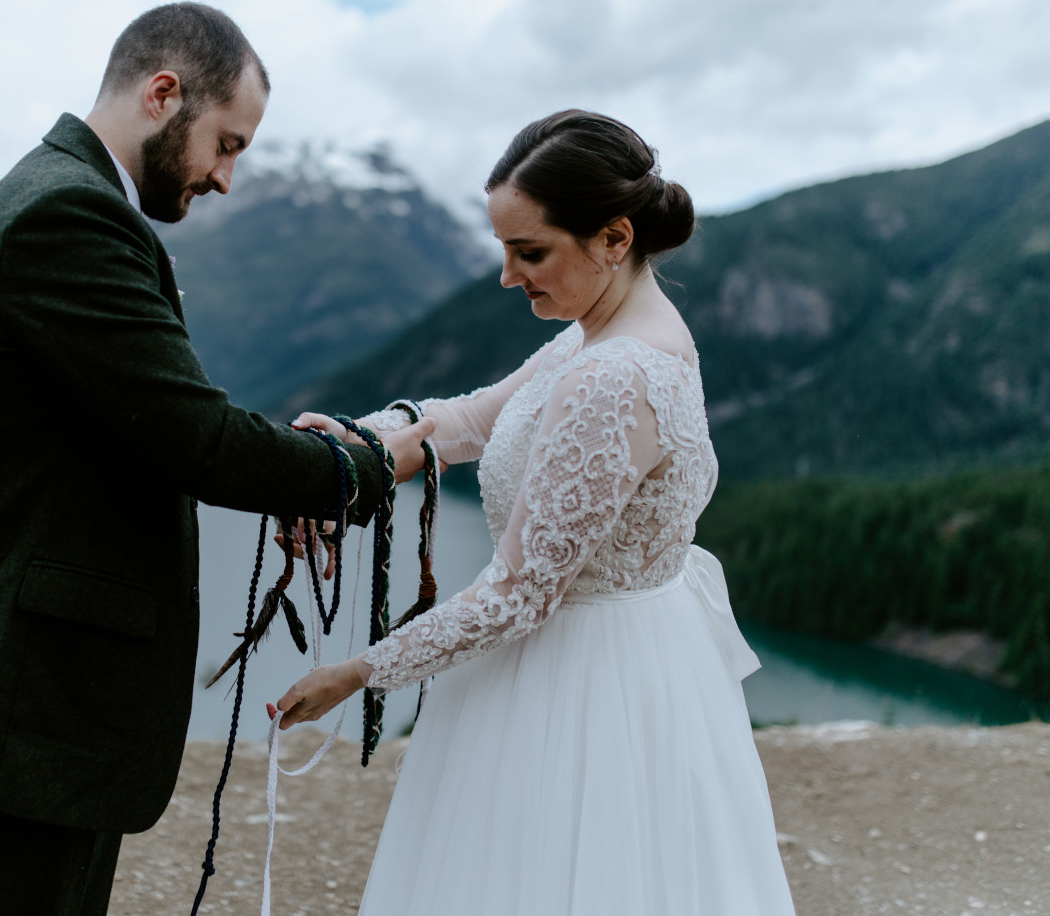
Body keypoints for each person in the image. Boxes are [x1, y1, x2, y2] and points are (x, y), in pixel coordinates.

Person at [0, 2, 434, 916]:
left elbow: (140, 422)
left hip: (29, 697)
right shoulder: (66, 216)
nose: (225, 176)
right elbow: (192, 436)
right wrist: (368, 464)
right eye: (226, 143)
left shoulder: (68, 198)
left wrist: (283, 460)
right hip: (26, 700)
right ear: (163, 93)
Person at [274, 110, 797, 915]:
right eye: (505, 249)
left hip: (586, 682)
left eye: (531, 252)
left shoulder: (612, 375)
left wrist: (358, 672)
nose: (509, 277)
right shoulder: (602, 333)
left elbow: (519, 592)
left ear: (614, 237)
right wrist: (354, 444)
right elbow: (473, 421)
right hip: (639, 657)